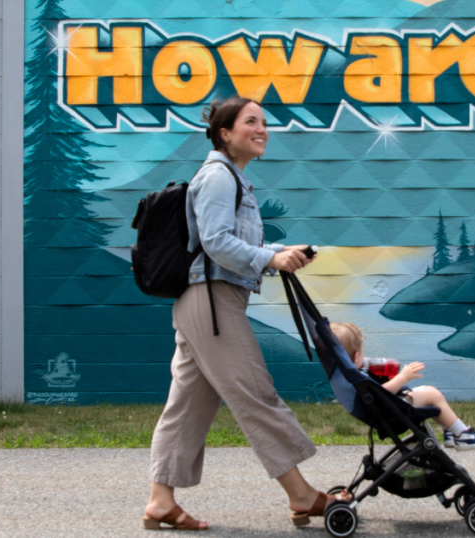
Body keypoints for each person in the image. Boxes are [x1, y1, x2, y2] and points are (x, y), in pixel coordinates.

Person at [143, 97, 348, 531]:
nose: (262, 129)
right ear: (225, 133)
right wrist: (268, 260)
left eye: (264, 122)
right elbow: (216, 243)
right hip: (212, 302)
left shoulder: (233, 179)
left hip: (206, 300)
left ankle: (161, 501)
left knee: (189, 403)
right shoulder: (219, 177)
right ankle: (300, 494)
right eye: (250, 122)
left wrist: (280, 251)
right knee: (255, 392)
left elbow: (225, 243)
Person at [329, 322, 475, 451]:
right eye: (362, 353)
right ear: (356, 356)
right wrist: (403, 377)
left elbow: (370, 388)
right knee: (432, 394)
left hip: (379, 412)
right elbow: (379, 394)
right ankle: (463, 434)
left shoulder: (342, 372)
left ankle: (451, 432)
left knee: (428, 395)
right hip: (389, 411)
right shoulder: (356, 376)